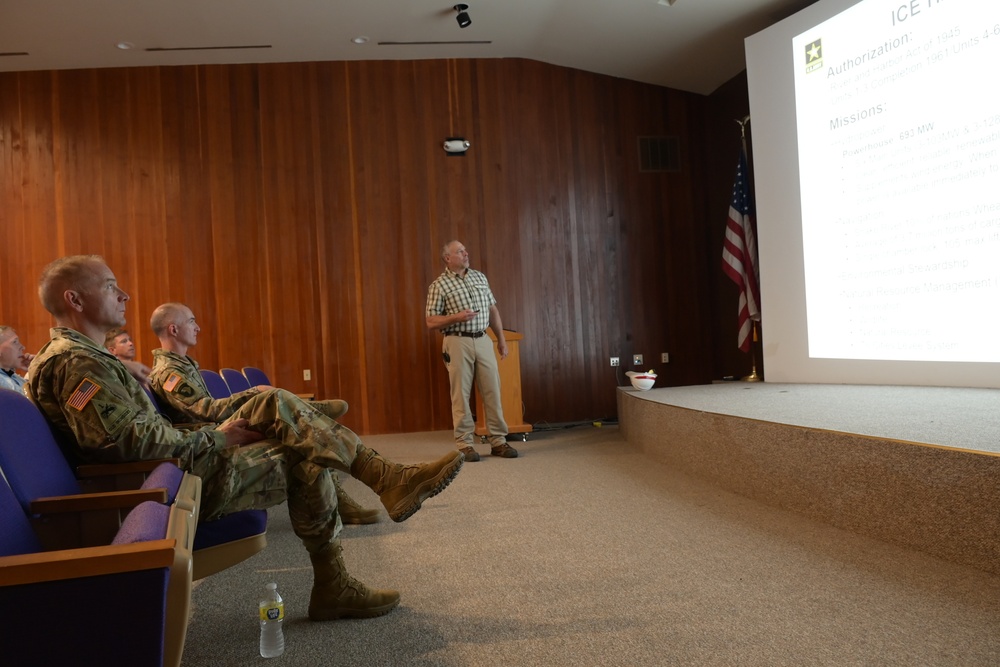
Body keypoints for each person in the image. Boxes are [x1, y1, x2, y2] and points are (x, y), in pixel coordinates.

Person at [27, 255, 465, 621]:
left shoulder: (88, 358)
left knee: (288, 424)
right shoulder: (77, 364)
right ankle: (369, 506)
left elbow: (137, 435)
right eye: (110, 287)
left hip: (171, 474)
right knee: (294, 436)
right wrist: (216, 439)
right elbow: (126, 444)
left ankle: (354, 538)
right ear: (75, 299)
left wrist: (213, 435)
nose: (124, 296)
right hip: (159, 490)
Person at [147, 301, 379, 525]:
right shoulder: (169, 374)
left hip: (212, 435)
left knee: (301, 435)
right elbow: (206, 411)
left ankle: (301, 416)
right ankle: (301, 411)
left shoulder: (183, 366)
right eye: (191, 321)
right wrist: (253, 392)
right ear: (174, 329)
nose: (197, 327)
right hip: (209, 445)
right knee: (297, 431)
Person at [425, 240, 517, 461]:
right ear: (448, 258)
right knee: (461, 395)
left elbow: (492, 309)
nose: (466, 253)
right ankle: (465, 444)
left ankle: (498, 442)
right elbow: (430, 321)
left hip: (483, 340)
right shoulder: (439, 285)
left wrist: (501, 340)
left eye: (466, 250)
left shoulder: (479, 277)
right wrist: (456, 317)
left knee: (492, 390)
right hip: (457, 342)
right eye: (460, 251)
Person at [0, 326, 33, 394]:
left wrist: (34, 370)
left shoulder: (13, 376)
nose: (23, 347)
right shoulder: (2, 386)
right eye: (15, 342)